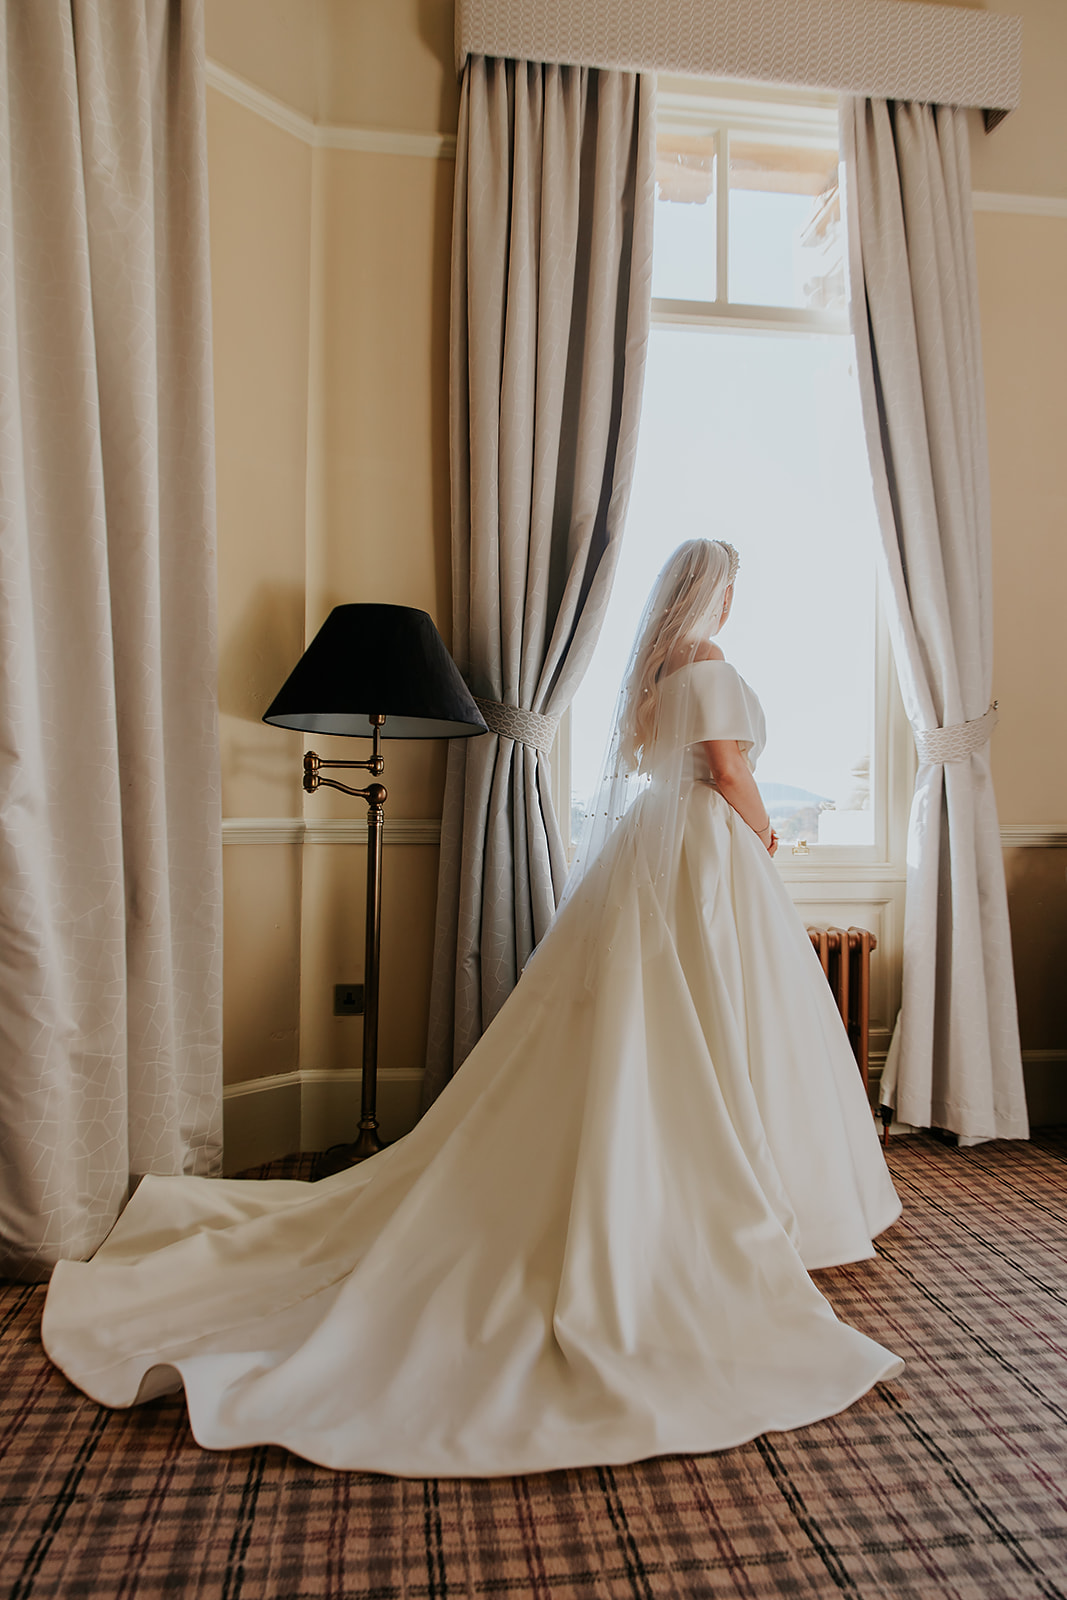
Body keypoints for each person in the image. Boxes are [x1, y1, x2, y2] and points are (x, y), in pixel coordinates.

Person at [43, 539, 902, 1478]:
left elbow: (664, 759)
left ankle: (654, 1162)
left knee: (656, 1023)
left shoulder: (655, 667)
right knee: (723, 1018)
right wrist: (765, 834)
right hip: (707, 851)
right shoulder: (708, 663)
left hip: (652, 850)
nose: (732, 603)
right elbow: (729, 769)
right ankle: (735, 1184)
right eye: (732, 587)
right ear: (716, 594)